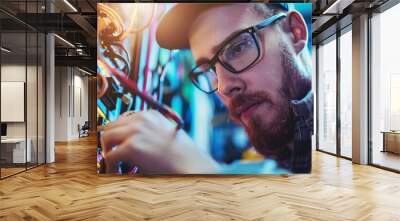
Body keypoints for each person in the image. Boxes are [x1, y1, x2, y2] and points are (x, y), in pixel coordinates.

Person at [100, 3, 313, 174]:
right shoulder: (285, 157)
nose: (224, 86)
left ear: (294, 32)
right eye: (207, 70)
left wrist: (197, 168)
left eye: (238, 48)